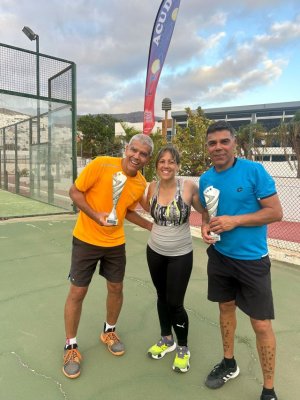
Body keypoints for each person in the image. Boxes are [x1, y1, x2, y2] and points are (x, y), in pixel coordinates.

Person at [199, 121, 283, 400]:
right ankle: (228, 363)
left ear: (234, 143)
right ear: (207, 147)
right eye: (212, 143)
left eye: (224, 141)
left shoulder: (254, 171)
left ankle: (268, 389)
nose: (218, 147)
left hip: (252, 261)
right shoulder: (206, 179)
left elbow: (275, 212)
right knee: (225, 309)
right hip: (221, 258)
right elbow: (207, 213)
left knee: (261, 324)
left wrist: (236, 221)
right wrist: (204, 226)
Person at [63, 133, 154, 379]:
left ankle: (109, 331)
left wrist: (149, 227)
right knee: (78, 292)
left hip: (115, 244)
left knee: (116, 288)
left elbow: (126, 211)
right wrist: (96, 216)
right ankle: (71, 346)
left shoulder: (139, 184)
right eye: (134, 150)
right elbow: (75, 192)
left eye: (143, 154)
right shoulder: (101, 163)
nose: (136, 156)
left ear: (147, 159)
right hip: (86, 240)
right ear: (126, 148)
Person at [141, 144, 204, 373]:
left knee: (175, 303)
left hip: (180, 255)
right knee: (161, 296)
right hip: (154, 251)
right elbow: (147, 206)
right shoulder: (151, 187)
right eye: (162, 161)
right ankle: (166, 339)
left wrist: (209, 224)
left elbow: (204, 211)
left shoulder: (187, 187)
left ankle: (183, 347)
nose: (166, 166)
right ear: (157, 165)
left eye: (171, 162)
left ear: (177, 165)